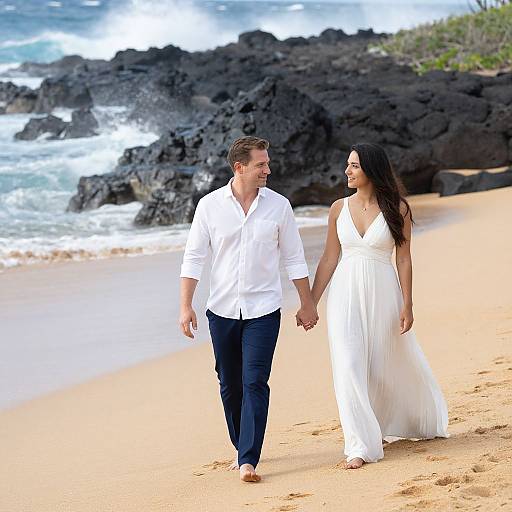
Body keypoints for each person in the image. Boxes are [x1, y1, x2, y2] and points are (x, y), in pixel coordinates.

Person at [179, 136, 318, 482]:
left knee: (255, 381)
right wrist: (185, 306)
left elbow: (293, 257)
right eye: (261, 165)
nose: (267, 170)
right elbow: (194, 257)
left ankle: (248, 459)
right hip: (221, 310)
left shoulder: (279, 206)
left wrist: (307, 302)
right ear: (240, 167)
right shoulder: (209, 206)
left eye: (267, 164)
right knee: (229, 384)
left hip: (264, 310)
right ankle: (241, 445)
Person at [308, 142, 449, 469]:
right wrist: (310, 302)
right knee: (348, 363)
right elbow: (330, 258)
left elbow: (403, 258)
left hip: (384, 290)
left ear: (371, 169)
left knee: (383, 363)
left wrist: (408, 303)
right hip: (344, 292)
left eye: (354, 166)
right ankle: (360, 445)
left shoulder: (397, 208)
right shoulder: (337, 209)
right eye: (348, 165)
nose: (347, 171)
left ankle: (384, 424)